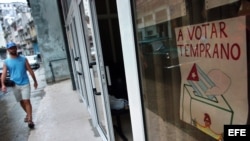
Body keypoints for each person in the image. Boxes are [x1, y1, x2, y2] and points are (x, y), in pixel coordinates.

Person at [1, 41, 38, 129]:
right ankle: (28, 114)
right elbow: (4, 73)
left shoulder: (23, 59)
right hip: (14, 84)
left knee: (27, 101)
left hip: (25, 82)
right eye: (10, 48)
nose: (12, 49)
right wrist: (2, 84)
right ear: (8, 50)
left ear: (16, 48)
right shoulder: (6, 61)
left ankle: (30, 120)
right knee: (21, 102)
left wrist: (35, 81)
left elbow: (30, 70)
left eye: (14, 47)